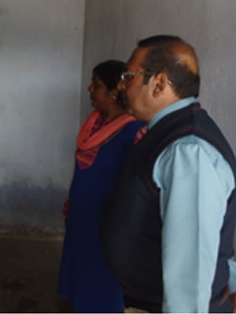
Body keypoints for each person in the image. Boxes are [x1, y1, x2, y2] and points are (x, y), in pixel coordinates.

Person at [100, 35, 236, 312]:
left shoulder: (188, 151)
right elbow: (211, 236)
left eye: (129, 76)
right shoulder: (169, 136)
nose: (122, 85)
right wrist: (235, 283)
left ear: (159, 83)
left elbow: (190, 274)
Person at [57, 60, 146, 312]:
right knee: (80, 271)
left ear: (114, 92)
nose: (90, 90)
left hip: (107, 224)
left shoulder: (135, 132)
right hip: (82, 216)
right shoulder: (95, 123)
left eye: (96, 85)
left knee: (101, 281)